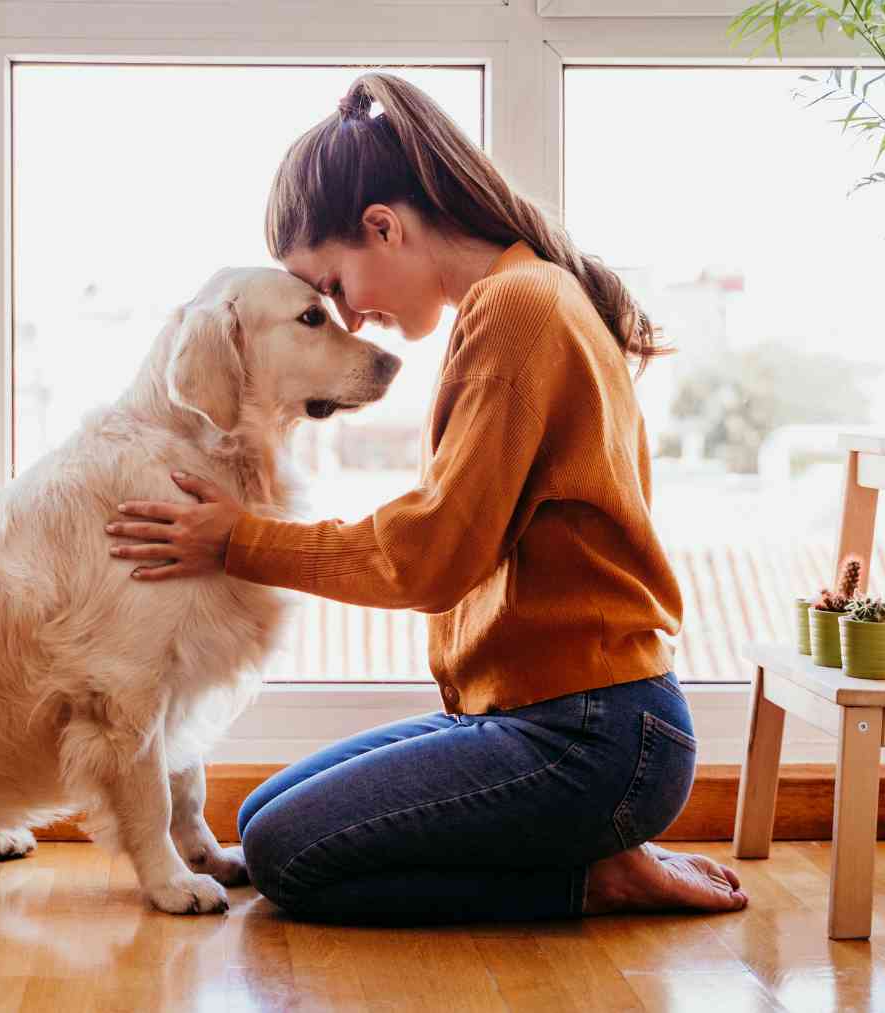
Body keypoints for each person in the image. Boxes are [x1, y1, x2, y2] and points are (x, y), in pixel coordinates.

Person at [103, 72, 747, 923]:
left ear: (384, 226)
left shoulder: (517, 311)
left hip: (595, 735)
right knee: (259, 822)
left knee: (291, 858)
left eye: (333, 287)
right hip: (547, 717)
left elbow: (431, 556)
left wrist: (238, 540)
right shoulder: (520, 293)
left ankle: (593, 875)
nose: (349, 319)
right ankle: (589, 844)